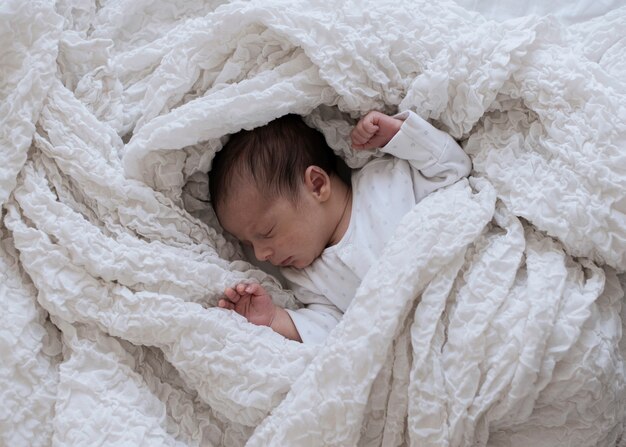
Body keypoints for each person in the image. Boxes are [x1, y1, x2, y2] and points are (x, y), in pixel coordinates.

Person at [209, 110, 471, 344]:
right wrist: (273, 319)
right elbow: (335, 331)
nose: (260, 255)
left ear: (317, 185)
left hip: (464, 288)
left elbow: (452, 170)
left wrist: (398, 135)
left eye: (266, 233)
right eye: (248, 244)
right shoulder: (308, 277)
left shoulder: (381, 182)